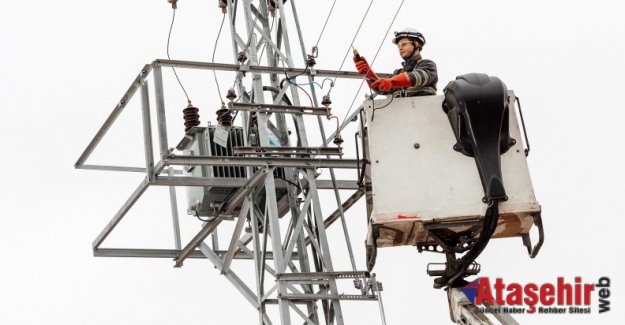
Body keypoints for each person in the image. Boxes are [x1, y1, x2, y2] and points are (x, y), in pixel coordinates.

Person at [354, 28, 438, 97]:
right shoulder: (398, 73)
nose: (400, 48)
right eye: (398, 46)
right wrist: (367, 72)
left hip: (425, 114)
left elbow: (416, 77)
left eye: (403, 44)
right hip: (401, 116)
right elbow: (381, 88)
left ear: (416, 44)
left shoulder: (428, 65)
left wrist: (392, 82)